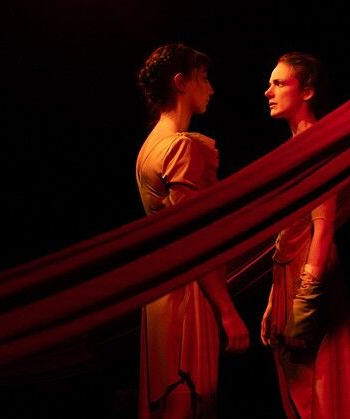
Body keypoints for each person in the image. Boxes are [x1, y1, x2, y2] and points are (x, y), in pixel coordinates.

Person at [135, 43, 249, 419]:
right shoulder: (178, 148)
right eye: (204, 78)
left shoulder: (150, 146)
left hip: (161, 292)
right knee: (184, 399)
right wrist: (227, 310)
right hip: (185, 295)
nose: (211, 88)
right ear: (181, 82)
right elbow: (195, 238)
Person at [260, 52, 350, 419]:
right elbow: (288, 226)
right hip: (288, 274)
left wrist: (305, 301)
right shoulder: (293, 148)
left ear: (307, 92)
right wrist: (273, 297)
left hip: (310, 274)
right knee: (297, 394)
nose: (268, 91)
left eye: (279, 83)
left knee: (316, 392)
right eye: (270, 83)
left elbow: (322, 227)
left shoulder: (317, 144)